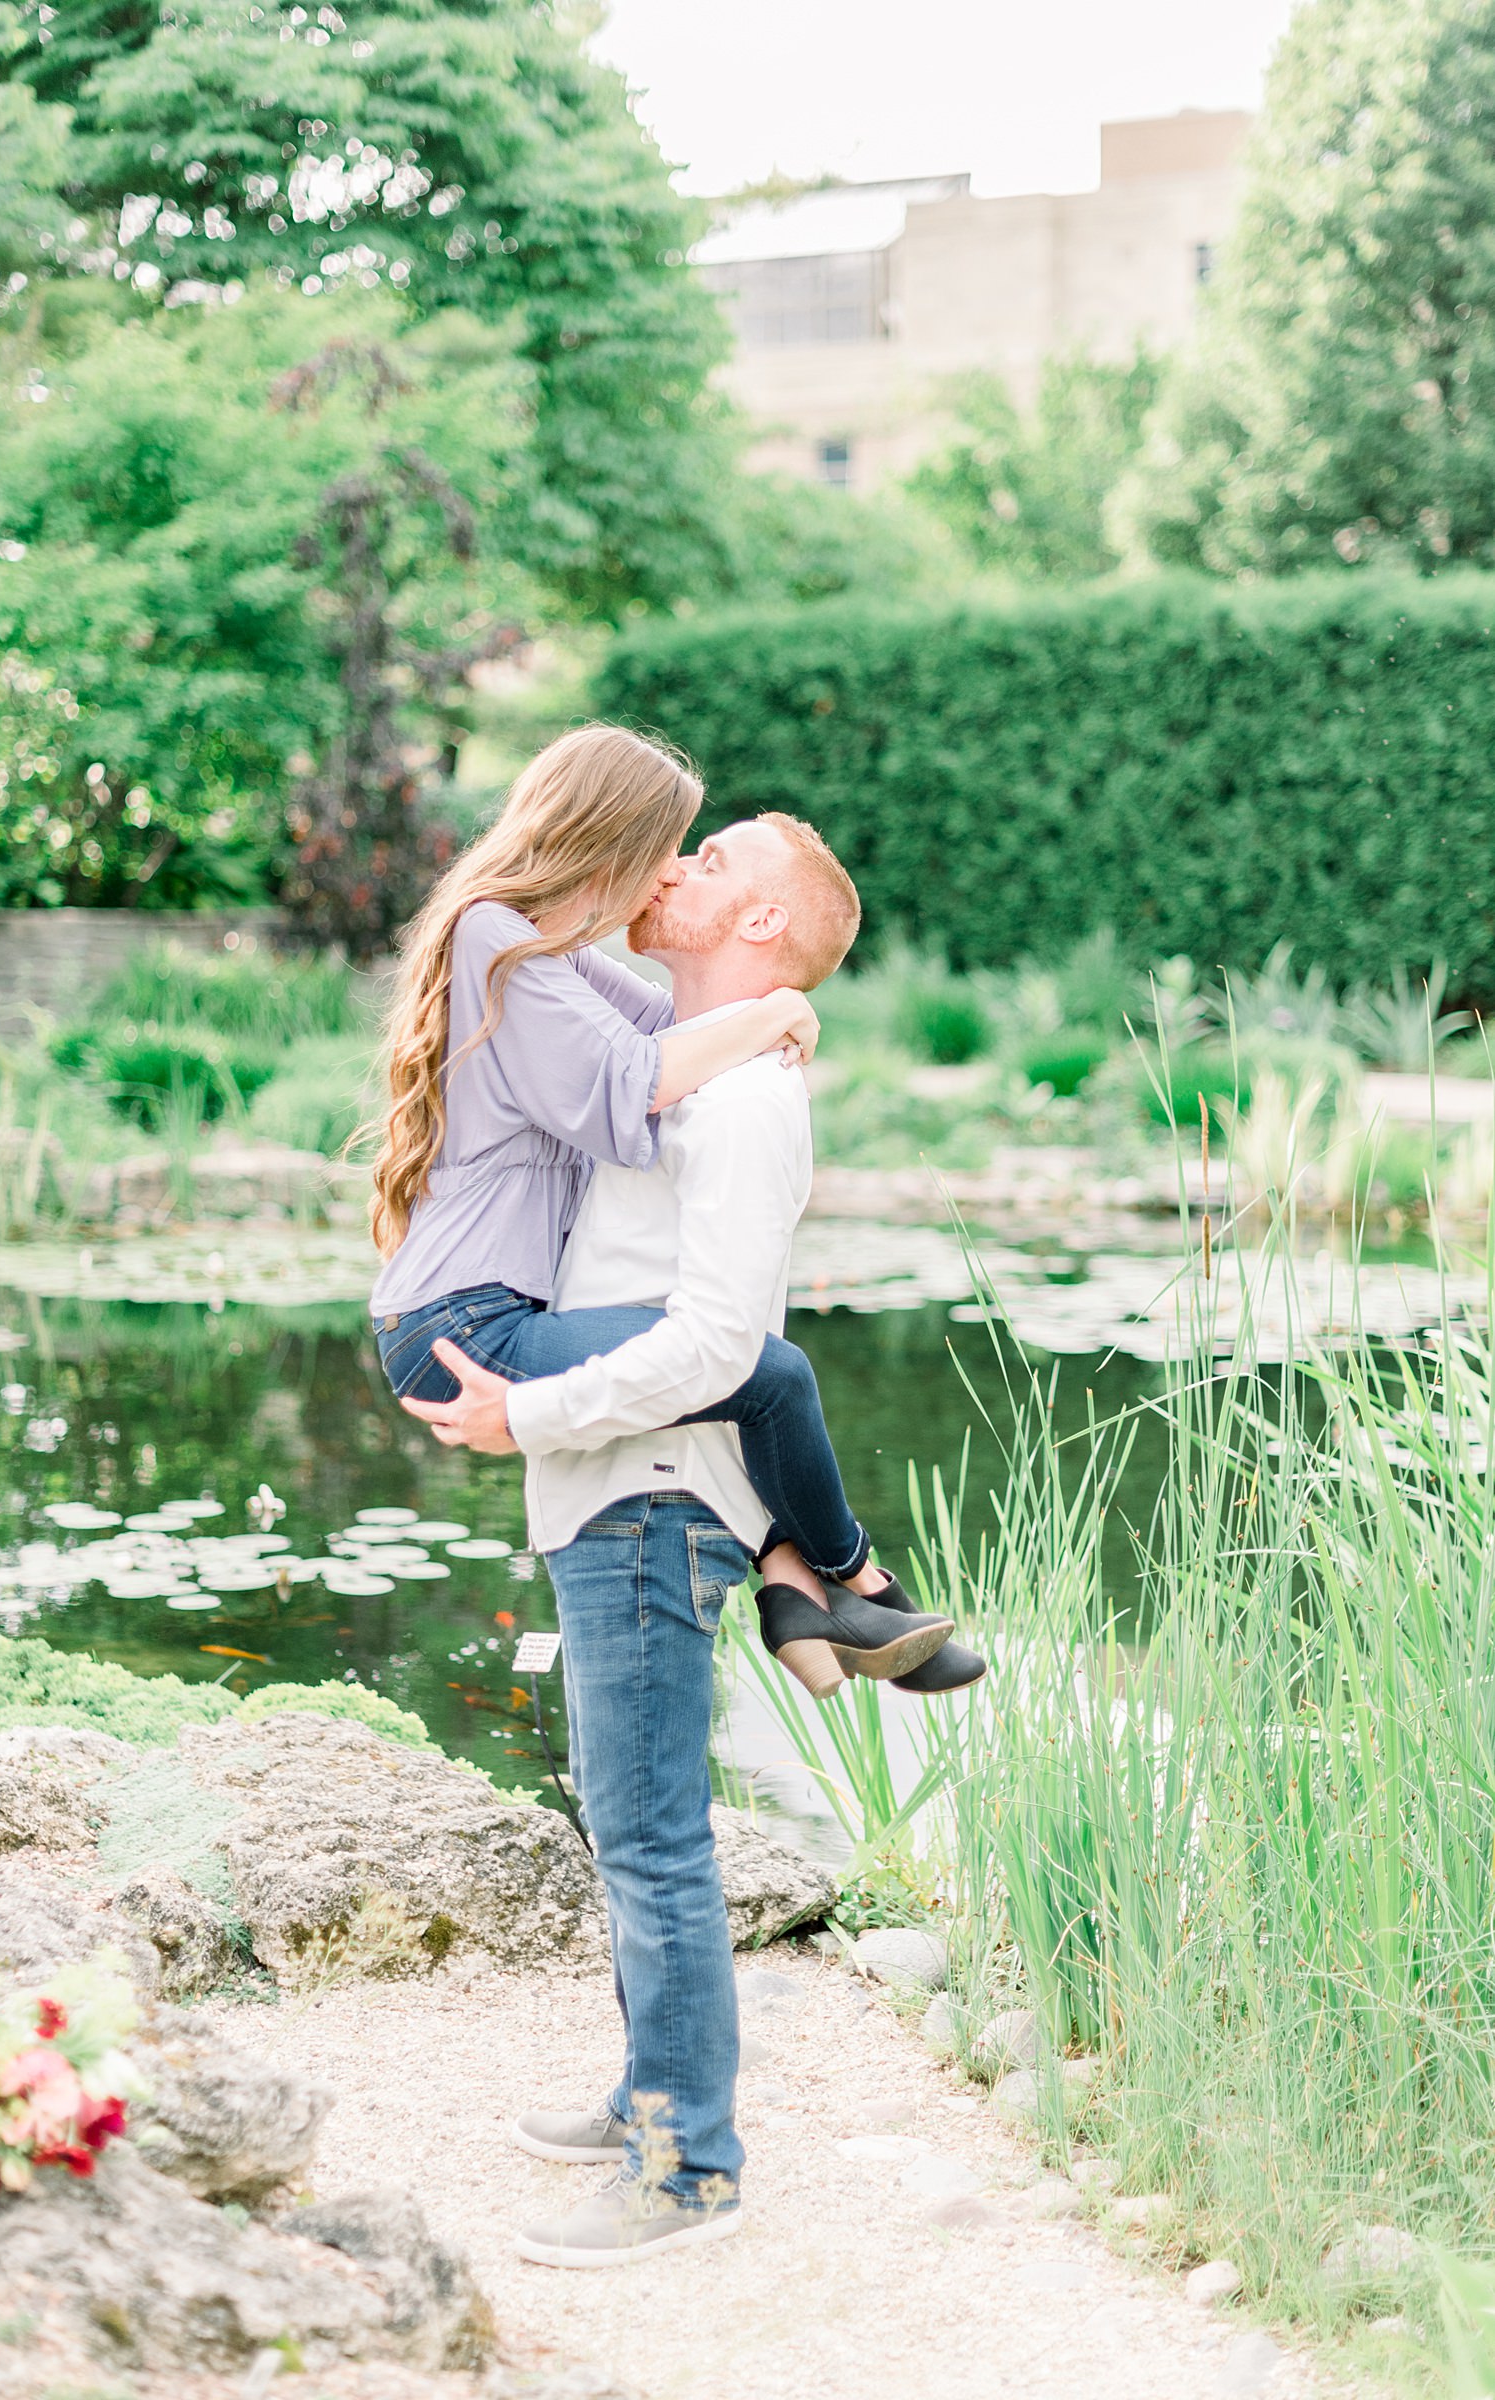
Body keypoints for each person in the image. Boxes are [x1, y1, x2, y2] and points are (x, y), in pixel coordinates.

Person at [404, 811, 985, 2268]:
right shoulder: (683, 1063)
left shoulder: (741, 1104)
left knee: (654, 1836)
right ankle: (644, 2097)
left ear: (768, 926)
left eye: (712, 859)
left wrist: (523, 1419)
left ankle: (687, 2169)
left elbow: (726, 1342)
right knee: (629, 1820)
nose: (676, 869)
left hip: (651, 1492)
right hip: (628, 1484)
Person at [369, 721, 966, 1694]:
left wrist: (760, 1003)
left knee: (734, 1384)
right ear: (609, 839)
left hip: (481, 1311)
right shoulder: (495, 934)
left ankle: (792, 1588)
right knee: (768, 1375)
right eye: (668, 850)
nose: (672, 873)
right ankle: (858, 1579)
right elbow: (641, 1073)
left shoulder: (554, 958)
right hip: (459, 1321)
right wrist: (774, 1014)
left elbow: (678, 1027)